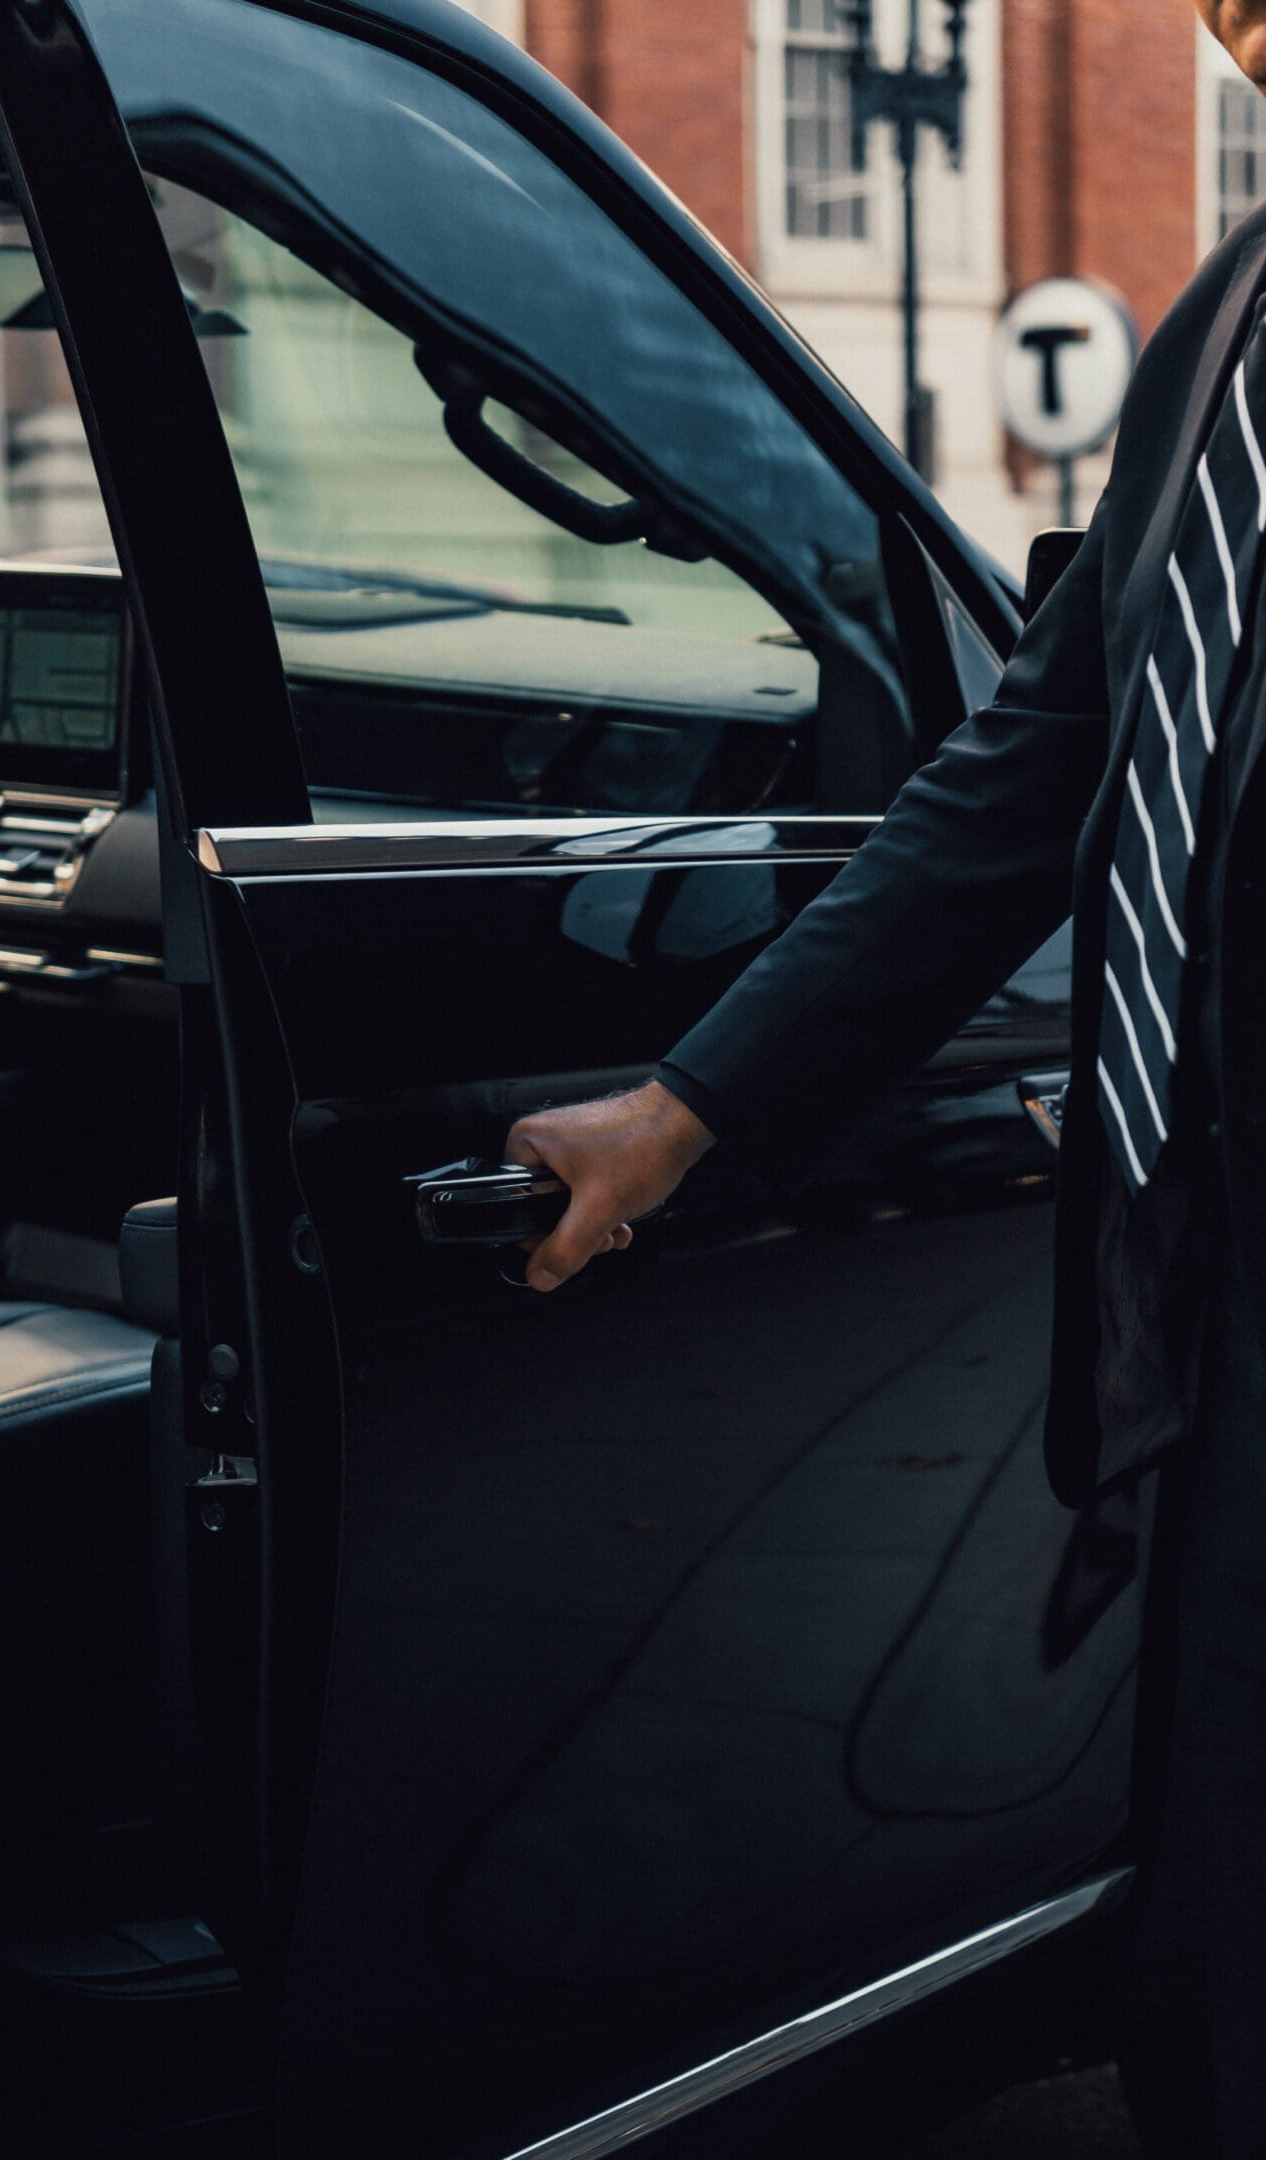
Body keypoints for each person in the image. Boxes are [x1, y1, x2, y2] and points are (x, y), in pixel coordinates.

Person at [505, 4, 1266, 2150]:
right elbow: (1031, 767)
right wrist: (689, 1110)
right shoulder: (1230, 318)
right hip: (1198, 1295)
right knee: (1210, 1963)